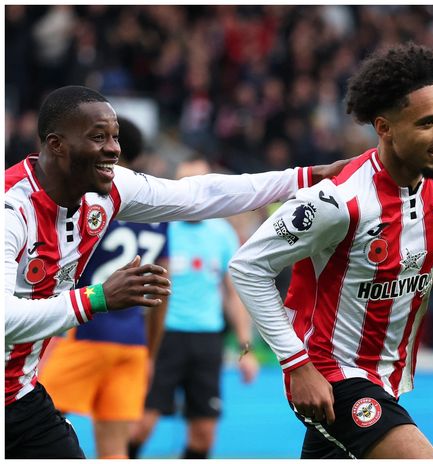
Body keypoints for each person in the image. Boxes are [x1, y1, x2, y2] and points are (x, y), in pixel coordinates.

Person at [4, 85, 338, 458]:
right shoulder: (10, 211)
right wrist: (97, 298)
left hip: (19, 393)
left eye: (114, 137)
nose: (114, 149)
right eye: (98, 137)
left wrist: (304, 178)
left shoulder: (109, 191)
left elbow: (199, 195)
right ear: (56, 145)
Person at [229, 42, 433, 459]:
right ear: (384, 127)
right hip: (331, 376)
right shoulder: (337, 201)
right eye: (427, 123)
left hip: (386, 377)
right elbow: (247, 266)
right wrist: (296, 364)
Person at [36, 117, 170, 459]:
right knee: (114, 450)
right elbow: (162, 289)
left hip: (83, 334)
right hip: (133, 344)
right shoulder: (156, 212)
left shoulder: (90, 199)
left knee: (32, 430)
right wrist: (150, 354)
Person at [129, 159, 260, 459]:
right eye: (187, 185)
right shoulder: (158, 229)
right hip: (164, 339)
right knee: (140, 427)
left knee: (203, 438)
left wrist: (245, 347)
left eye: (201, 185)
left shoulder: (222, 233)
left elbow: (232, 293)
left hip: (206, 341)